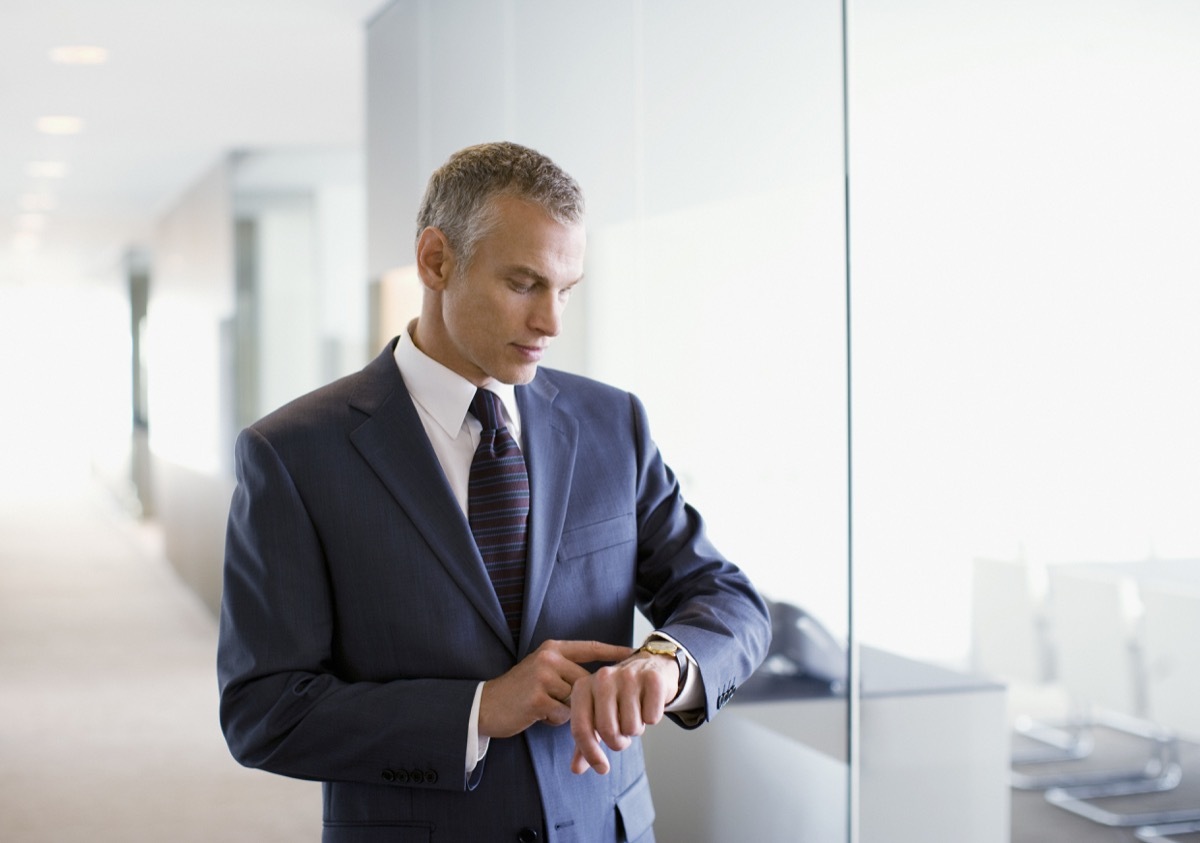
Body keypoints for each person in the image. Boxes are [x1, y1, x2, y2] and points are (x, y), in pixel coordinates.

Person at [217, 141, 771, 843]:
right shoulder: (293, 454)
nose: (552, 322)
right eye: (524, 283)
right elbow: (263, 710)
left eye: (566, 289)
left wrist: (666, 665)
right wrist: (478, 709)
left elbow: (728, 598)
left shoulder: (612, 422)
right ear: (435, 260)